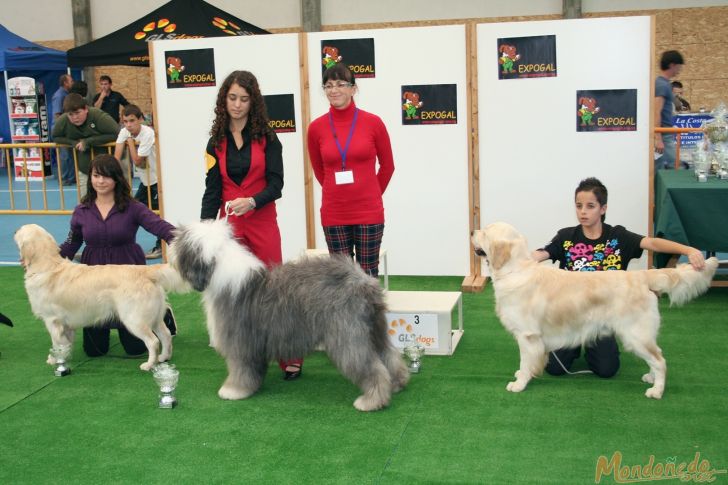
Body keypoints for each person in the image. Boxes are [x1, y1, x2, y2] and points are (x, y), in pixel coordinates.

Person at [532, 177, 705, 378]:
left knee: (606, 370)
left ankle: (593, 344)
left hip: (604, 316)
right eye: (578, 206)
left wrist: (689, 249)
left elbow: (654, 244)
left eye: (590, 206)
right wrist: (516, 257)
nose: (583, 212)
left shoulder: (617, 236)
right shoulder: (566, 236)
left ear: (603, 209)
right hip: (571, 315)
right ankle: (573, 343)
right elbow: (540, 254)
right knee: (554, 368)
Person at [200, 70, 302, 380]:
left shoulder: (269, 139)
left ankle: (289, 355)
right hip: (230, 230)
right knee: (235, 295)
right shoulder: (214, 142)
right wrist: (205, 230)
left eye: (244, 99)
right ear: (224, 100)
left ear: (253, 102)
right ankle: (244, 356)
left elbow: (277, 184)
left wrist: (254, 201)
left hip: (262, 222)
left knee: (275, 290)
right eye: (232, 98)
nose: (238, 104)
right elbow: (212, 189)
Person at [59, 154, 177, 358]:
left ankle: (161, 314)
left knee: (135, 349)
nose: (101, 181)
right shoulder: (81, 211)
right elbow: (71, 244)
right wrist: (43, 260)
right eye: (96, 176)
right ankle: (157, 310)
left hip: (128, 277)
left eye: (106, 176)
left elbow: (160, 227)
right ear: (91, 178)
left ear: (117, 179)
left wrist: (183, 243)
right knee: (95, 351)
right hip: (94, 282)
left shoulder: (133, 207)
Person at [307, 63, 395, 278]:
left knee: (367, 275)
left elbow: (388, 165)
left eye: (340, 84)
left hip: (368, 211)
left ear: (353, 89)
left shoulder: (373, 123)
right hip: (334, 211)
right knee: (340, 278)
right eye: (328, 85)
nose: (334, 90)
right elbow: (319, 169)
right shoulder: (316, 128)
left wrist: (371, 193)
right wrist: (336, 192)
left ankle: (369, 314)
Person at [114, 104, 162, 259]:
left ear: (140, 119)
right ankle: (119, 245)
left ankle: (160, 246)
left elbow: (138, 161)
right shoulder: (124, 131)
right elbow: (116, 158)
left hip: (157, 182)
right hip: (146, 182)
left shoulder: (147, 133)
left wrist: (130, 143)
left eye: (132, 121)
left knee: (159, 215)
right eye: (125, 121)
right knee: (129, 210)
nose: (128, 125)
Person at [51, 93, 120, 197]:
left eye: (78, 113)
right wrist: (73, 143)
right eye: (71, 114)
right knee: (85, 200)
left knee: (114, 200)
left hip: (109, 168)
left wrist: (88, 141)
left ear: (86, 109)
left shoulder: (98, 116)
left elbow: (117, 133)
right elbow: (55, 136)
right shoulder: (64, 120)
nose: (74, 117)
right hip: (85, 168)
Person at [655, 50, 684, 170]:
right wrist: (658, 138)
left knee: (663, 168)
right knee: (675, 167)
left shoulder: (665, 84)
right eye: (679, 66)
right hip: (663, 135)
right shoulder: (661, 84)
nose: (680, 70)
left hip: (665, 134)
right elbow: (656, 112)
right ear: (672, 65)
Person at [50, 74, 75, 185]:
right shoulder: (59, 95)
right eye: (71, 81)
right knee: (65, 156)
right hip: (61, 131)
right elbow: (57, 115)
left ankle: (71, 177)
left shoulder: (67, 95)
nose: (73, 83)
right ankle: (64, 179)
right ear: (65, 83)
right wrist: (63, 129)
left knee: (69, 155)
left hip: (67, 130)